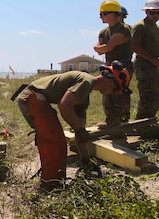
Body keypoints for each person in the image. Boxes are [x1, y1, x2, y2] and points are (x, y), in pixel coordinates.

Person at [13, 63, 131, 191]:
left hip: (37, 98)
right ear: (110, 79)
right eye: (115, 88)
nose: (113, 93)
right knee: (55, 140)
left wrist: (86, 159)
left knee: (55, 138)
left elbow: (80, 129)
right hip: (32, 96)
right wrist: (79, 130)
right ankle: (51, 186)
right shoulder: (86, 81)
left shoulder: (84, 96)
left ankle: (54, 181)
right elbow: (64, 106)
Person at [93, 0, 133, 125]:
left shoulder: (123, 29)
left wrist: (108, 46)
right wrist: (109, 46)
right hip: (109, 65)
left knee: (120, 92)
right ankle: (110, 120)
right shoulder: (103, 32)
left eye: (103, 14)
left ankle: (122, 120)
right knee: (107, 92)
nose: (101, 17)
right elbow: (98, 49)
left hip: (123, 66)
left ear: (112, 14)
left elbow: (108, 47)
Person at [131, 0, 159, 119]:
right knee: (148, 94)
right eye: (153, 12)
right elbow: (134, 46)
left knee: (155, 94)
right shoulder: (140, 26)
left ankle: (149, 121)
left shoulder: (155, 27)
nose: (156, 15)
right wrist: (151, 59)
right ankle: (142, 124)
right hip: (144, 65)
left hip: (153, 65)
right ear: (146, 12)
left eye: (158, 13)